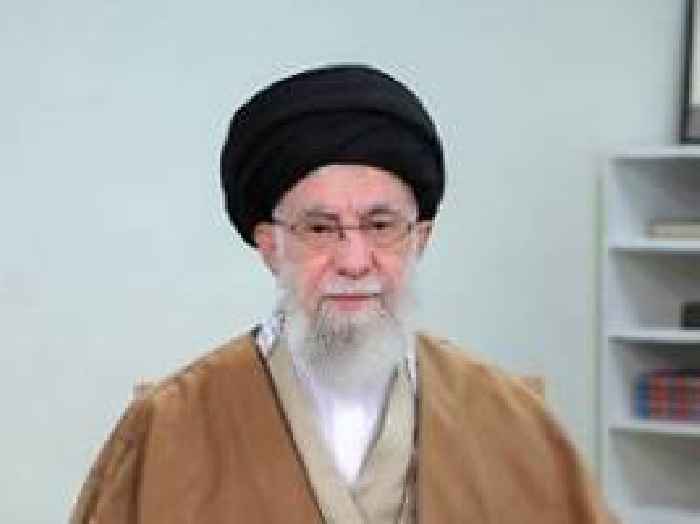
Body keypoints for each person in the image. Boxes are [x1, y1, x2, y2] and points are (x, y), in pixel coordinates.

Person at [70, 65, 615, 523]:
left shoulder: (513, 424)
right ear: (271, 245)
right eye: (320, 228)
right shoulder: (170, 430)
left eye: (381, 226)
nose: (354, 261)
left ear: (420, 239)